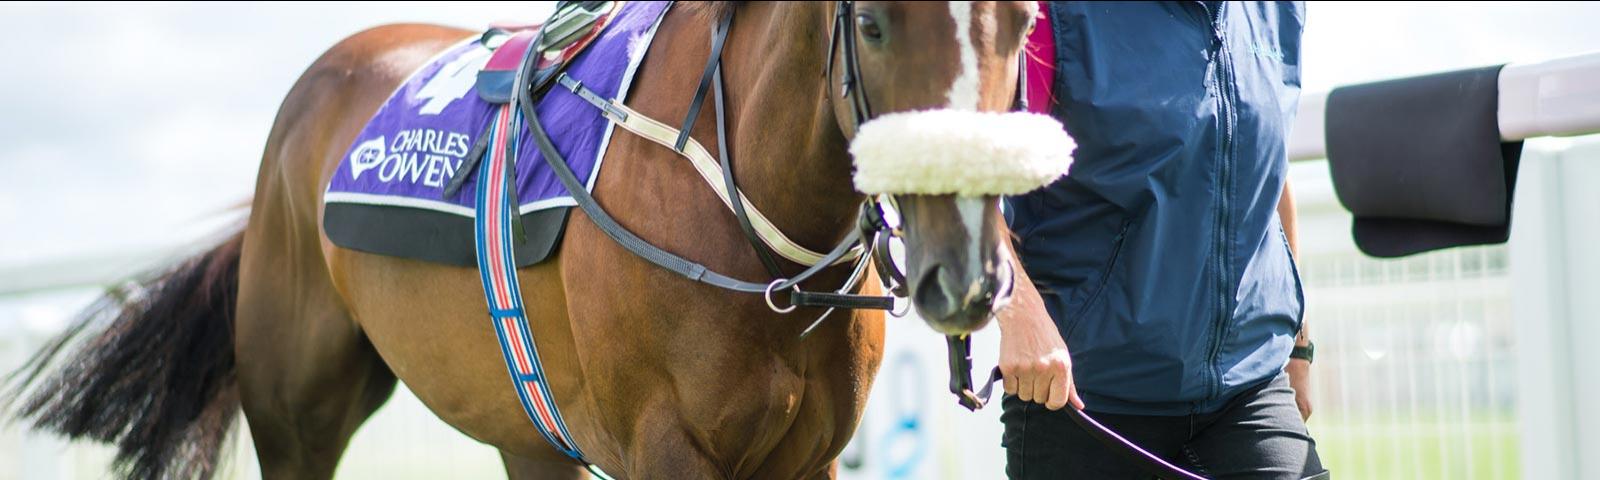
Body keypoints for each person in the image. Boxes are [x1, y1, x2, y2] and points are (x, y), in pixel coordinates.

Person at [997, 2, 1326, 479]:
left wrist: (1298, 342)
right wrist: (1018, 312)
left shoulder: (1277, 10)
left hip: (1246, 388)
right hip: (1084, 396)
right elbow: (968, 181)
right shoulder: (1050, 14)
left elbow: (1266, 169)